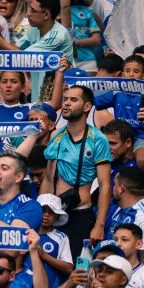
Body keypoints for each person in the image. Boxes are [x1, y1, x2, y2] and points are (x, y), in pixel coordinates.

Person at [42, 85, 112, 257]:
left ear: (87, 106)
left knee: (74, 266)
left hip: (80, 214)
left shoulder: (98, 139)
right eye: (65, 99)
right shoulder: (55, 135)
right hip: (54, 211)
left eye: (73, 100)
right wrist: (42, 211)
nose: (66, 103)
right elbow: (48, 178)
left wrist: (99, 225)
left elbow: (105, 186)